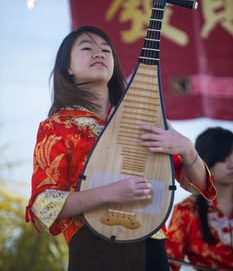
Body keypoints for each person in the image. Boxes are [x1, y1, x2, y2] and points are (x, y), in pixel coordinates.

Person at [25, 26, 216, 271]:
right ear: (68, 68)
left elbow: (198, 185)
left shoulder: (141, 122)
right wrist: (110, 192)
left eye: (106, 50)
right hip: (94, 245)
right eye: (87, 48)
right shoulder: (59, 126)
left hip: (151, 244)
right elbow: (44, 204)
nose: (99, 53)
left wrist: (188, 150)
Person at [166, 126, 233, 271]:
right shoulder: (186, 211)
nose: (231, 164)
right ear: (204, 161)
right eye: (222, 159)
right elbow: (169, 264)